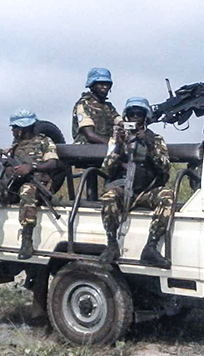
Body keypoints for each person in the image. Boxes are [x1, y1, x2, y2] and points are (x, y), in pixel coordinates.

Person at [0, 108, 59, 260]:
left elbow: (53, 164)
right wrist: (9, 169)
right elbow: (7, 167)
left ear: (21, 129)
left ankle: (27, 241)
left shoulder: (45, 142)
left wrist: (31, 168)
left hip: (36, 187)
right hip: (14, 186)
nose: (12, 131)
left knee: (27, 190)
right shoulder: (15, 146)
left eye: (14, 128)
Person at [99, 97, 173, 269]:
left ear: (145, 117)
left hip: (145, 190)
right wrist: (118, 146)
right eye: (131, 114)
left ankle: (151, 247)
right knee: (109, 197)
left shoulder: (155, 139)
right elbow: (106, 170)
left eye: (139, 114)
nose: (134, 118)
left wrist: (150, 147)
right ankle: (111, 244)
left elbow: (165, 168)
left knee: (167, 196)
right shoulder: (117, 139)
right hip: (123, 189)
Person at [72, 67, 121, 144]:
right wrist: (111, 142)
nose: (104, 87)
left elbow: (120, 122)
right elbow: (90, 135)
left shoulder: (108, 107)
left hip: (105, 148)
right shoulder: (84, 104)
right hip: (85, 150)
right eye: (101, 84)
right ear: (92, 86)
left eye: (107, 84)